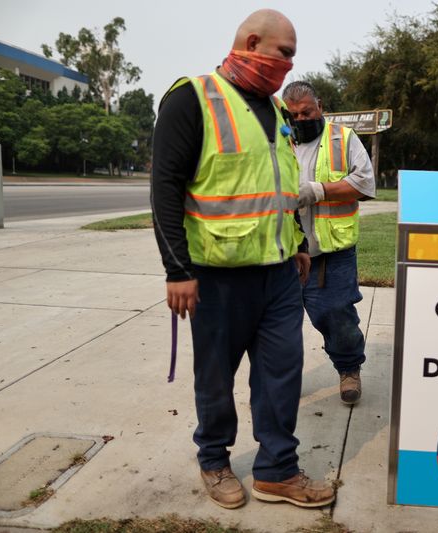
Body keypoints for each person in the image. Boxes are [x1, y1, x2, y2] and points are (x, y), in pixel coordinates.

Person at [151, 9, 335, 510]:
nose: (289, 64)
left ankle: (277, 471)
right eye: (285, 53)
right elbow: (164, 188)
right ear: (252, 42)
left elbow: (280, 188)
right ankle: (213, 460)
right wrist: (177, 270)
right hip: (215, 276)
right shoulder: (192, 98)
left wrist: (297, 240)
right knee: (215, 375)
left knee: (282, 373)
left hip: (276, 275)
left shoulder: (274, 110)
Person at [282, 81, 376, 405]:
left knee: (337, 315)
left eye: (307, 111)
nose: (301, 118)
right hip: (286, 252)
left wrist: (318, 190)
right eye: (293, 114)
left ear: (319, 106)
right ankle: (284, 378)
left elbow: (364, 182)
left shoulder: (342, 138)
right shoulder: (278, 142)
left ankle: (349, 368)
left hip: (330, 252)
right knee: (281, 322)